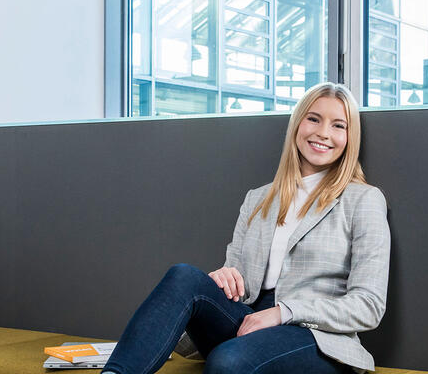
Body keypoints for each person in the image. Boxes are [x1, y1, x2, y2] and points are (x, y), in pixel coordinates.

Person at [100, 82, 390, 374]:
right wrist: (225, 279)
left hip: (315, 337)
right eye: (313, 118)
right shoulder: (258, 199)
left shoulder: (363, 199)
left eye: (338, 125)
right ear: (297, 124)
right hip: (248, 319)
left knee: (229, 361)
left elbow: (368, 306)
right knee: (184, 276)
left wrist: (284, 313)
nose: (323, 133)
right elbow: (238, 279)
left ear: (350, 137)